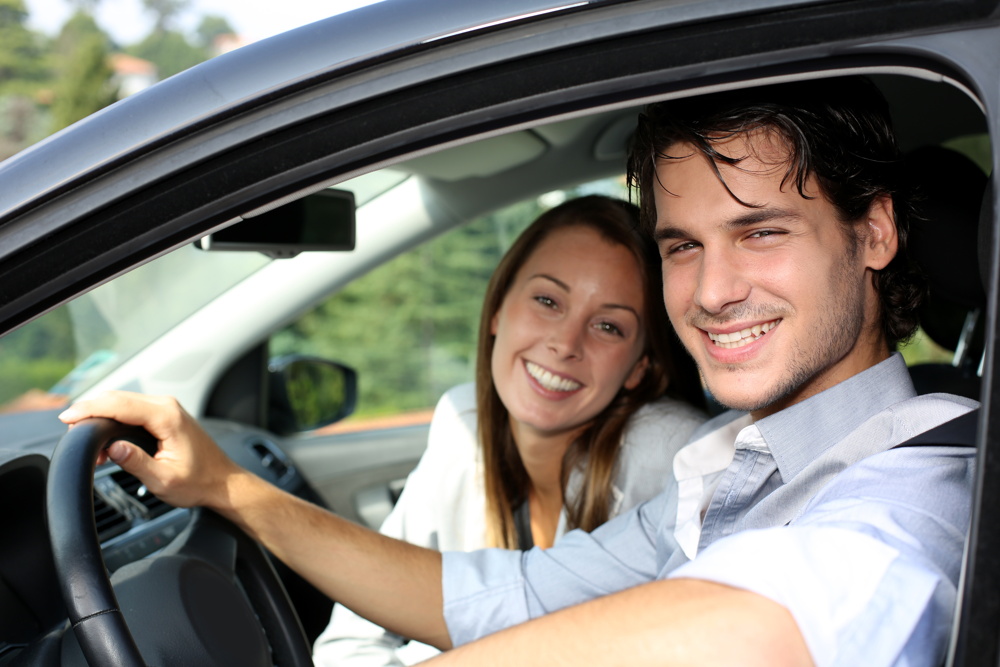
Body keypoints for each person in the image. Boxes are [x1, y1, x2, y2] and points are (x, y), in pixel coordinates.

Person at [60, 76, 978, 666]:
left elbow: (766, 624)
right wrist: (227, 486)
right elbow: (497, 598)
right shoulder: (731, 464)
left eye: (762, 232)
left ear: (875, 232)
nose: (712, 290)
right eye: (682, 246)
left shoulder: (928, 479)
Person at [312, 196, 707, 666]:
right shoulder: (464, 423)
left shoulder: (672, 455)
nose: (565, 344)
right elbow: (352, 640)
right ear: (498, 308)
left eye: (607, 326)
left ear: (640, 366)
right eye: (547, 301)